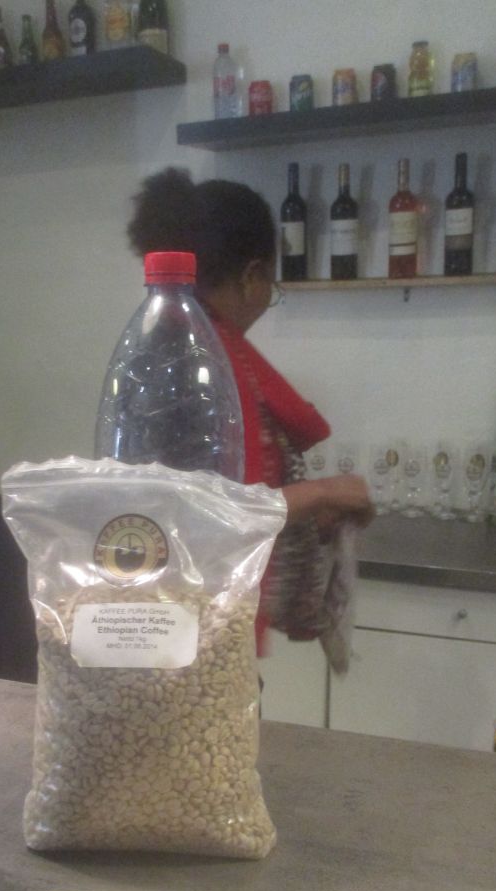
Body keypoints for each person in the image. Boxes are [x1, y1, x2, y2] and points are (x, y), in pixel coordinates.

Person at [127, 167, 374, 654]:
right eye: (270, 286)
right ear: (252, 276)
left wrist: (311, 509)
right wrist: (323, 491)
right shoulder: (199, 363)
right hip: (192, 634)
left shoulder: (177, 343)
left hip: (186, 625)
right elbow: (214, 514)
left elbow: (225, 495)